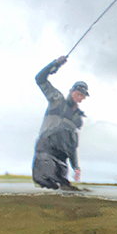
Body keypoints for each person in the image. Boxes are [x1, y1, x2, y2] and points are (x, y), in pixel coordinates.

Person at [32, 55, 88, 191]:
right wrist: (56, 63)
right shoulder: (57, 100)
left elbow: (73, 146)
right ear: (72, 91)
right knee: (46, 183)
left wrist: (76, 168)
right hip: (45, 150)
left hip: (62, 160)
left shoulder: (77, 119)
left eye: (82, 95)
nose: (79, 96)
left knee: (64, 191)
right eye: (78, 93)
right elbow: (39, 79)